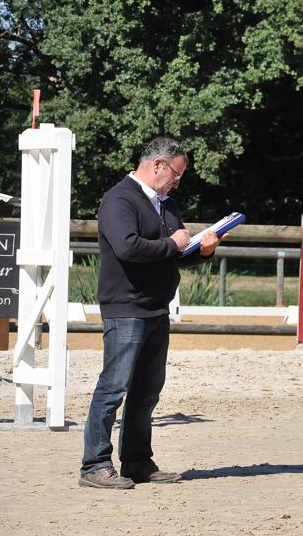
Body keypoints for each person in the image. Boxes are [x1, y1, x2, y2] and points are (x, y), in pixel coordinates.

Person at [79, 137, 224, 489]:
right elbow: (128, 248)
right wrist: (172, 244)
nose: (178, 181)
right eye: (176, 173)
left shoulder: (166, 203)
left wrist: (201, 250)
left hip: (156, 307)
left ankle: (137, 462)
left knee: (147, 391)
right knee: (113, 387)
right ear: (157, 165)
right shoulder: (118, 199)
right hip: (126, 305)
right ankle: (94, 465)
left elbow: (173, 251)